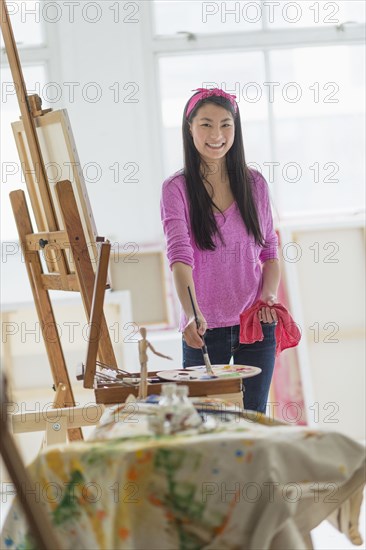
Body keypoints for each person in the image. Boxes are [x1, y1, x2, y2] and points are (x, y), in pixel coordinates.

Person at [160, 87, 280, 413]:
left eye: (226, 124)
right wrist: (193, 313)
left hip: (254, 325)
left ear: (236, 128)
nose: (217, 134)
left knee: (252, 420)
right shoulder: (176, 189)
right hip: (202, 329)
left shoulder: (255, 184)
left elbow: (270, 250)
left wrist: (267, 298)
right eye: (206, 124)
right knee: (206, 426)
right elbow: (179, 257)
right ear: (189, 128)